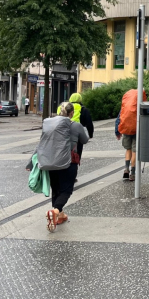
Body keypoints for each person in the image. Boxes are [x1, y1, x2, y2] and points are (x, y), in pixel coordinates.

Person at [36, 102, 89, 231]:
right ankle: (56, 210)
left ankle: (58, 216)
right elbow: (85, 140)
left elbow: (42, 143)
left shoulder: (50, 125)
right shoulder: (76, 125)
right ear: (72, 113)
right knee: (66, 190)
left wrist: (31, 162)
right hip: (69, 162)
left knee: (56, 189)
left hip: (52, 161)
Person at [116, 88, 146, 181]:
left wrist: (117, 131)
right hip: (136, 129)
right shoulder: (140, 103)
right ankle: (132, 173)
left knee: (128, 150)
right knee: (134, 151)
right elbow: (147, 113)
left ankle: (126, 169)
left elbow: (119, 118)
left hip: (126, 129)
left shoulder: (126, 104)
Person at [67, 93, 94, 157]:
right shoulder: (83, 109)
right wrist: (90, 134)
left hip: (65, 133)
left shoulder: (64, 108)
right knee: (77, 153)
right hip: (78, 135)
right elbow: (89, 123)